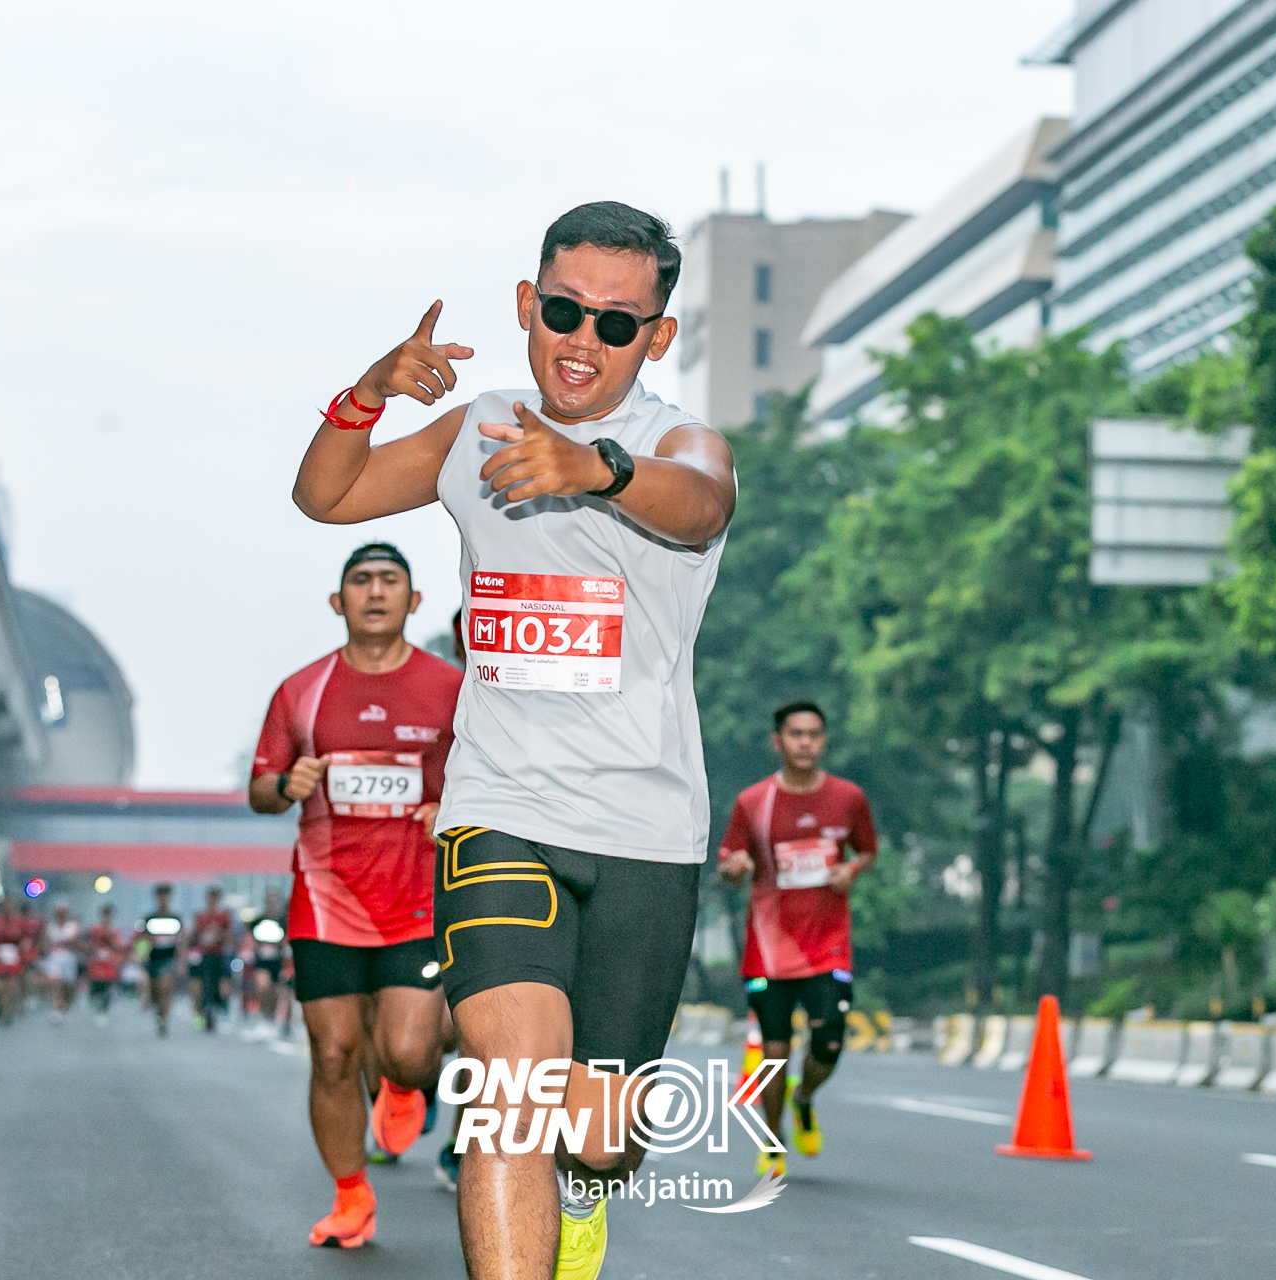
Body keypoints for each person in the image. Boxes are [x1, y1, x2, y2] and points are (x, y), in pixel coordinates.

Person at [291, 202, 734, 1280]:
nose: (584, 340)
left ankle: (584, 1197)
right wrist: (365, 394)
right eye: (566, 311)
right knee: (511, 1090)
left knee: (601, 1137)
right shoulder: (478, 429)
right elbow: (326, 493)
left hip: (646, 828)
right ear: (529, 306)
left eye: (617, 324)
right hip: (501, 809)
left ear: (657, 337)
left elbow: (703, 505)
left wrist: (597, 470)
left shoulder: (675, 443)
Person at [248, 541, 462, 1250]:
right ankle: (350, 1198)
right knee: (334, 1054)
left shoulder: (451, 688)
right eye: (361, 581)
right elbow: (260, 791)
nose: (375, 592)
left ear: (413, 600)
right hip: (326, 900)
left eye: (389, 580)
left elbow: (489, 780)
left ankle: (401, 1085)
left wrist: (450, 809)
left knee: (409, 1053)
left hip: (419, 899)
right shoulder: (301, 691)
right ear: (338, 602)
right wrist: (287, 785)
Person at [717, 701, 877, 1176]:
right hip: (769, 950)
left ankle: (803, 1097)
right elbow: (728, 862)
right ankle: (772, 1139)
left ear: (824, 741)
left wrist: (851, 869)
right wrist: (735, 867)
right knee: (774, 1051)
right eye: (795, 734)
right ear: (778, 741)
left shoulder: (848, 797)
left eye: (814, 734)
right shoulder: (754, 802)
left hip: (828, 946)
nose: (805, 743)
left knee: (828, 1043)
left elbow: (867, 850)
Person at [139, 885, 184, 1036]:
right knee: (155, 991)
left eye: (166, 896)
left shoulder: (175, 918)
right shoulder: (149, 918)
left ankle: (164, 1017)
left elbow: (181, 938)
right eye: (161, 896)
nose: (163, 899)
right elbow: (142, 937)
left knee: (165, 989)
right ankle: (158, 1013)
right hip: (153, 958)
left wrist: (181, 959)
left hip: (168, 959)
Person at [190, 887, 235, 1032]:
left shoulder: (224, 917)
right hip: (203, 956)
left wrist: (218, 933)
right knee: (201, 984)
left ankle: (221, 1006)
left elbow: (229, 936)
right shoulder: (200, 917)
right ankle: (202, 1011)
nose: (212, 901)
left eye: (214, 898)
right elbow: (194, 936)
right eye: (210, 898)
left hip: (219, 955)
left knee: (223, 981)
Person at [248, 890, 291, 1032]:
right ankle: (264, 1016)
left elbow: (287, 940)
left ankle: (272, 1019)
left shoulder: (283, 921)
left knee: (275, 992)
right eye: (268, 901)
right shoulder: (257, 921)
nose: (270, 904)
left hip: (277, 962)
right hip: (262, 961)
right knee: (262, 986)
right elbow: (250, 939)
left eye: (273, 901)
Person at [0, 894, 29, 1024]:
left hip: (14, 958)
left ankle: (9, 1009)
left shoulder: (20, 923)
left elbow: (25, 940)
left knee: (12, 986)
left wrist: (24, 951)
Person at [43, 902, 82, 1025]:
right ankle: (56, 1008)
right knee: (56, 982)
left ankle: (66, 1002)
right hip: (54, 958)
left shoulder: (72, 926)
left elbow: (74, 941)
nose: (61, 915)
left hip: (68, 958)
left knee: (68, 986)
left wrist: (62, 942)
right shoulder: (51, 927)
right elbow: (46, 943)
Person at [86, 904, 125, 1024]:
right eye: (104, 915)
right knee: (96, 986)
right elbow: (90, 944)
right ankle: (95, 1000)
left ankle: (104, 1010)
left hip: (109, 962)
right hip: (96, 962)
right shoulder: (94, 930)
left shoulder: (115, 931)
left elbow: (117, 946)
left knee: (107, 987)